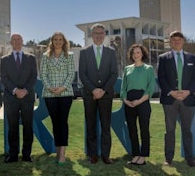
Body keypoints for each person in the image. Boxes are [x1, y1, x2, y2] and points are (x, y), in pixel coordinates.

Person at [158, 31, 195, 167]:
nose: (176, 42)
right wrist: (171, 92)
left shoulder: (192, 58)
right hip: (170, 100)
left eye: (179, 39)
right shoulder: (163, 58)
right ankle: (168, 158)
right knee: (170, 130)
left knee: (187, 130)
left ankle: (189, 158)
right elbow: (161, 78)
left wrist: (188, 92)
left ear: (183, 41)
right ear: (170, 41)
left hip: (188, 99)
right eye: (174, 39)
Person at [79, 23, 118, 164]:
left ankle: (106, 155)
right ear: (92, 35)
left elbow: (114, 73)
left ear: (105, 35)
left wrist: (103, 90)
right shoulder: (84, 52)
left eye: (101, 33)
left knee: (106, 126)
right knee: (91, 125)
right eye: (96, 33)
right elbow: (82, 74)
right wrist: (93, 90)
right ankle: (93, 155)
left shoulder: (111, 52)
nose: (99, 36)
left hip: (106, 95)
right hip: (89, 95)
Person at [1, 33, 37, 163]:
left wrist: (25, 90)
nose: (16, 41)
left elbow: (34, 76)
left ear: (22, 42)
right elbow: (4, 78)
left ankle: (27, 155)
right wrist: (15, 90)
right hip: (11, 98)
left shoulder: (31, 58)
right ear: (11, 42)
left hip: (27, 98)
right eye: (14, 39)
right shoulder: (4, 59)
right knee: (13, 127)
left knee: (28, 127)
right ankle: (13, 155)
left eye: (19, 39)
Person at [39, 32, 75, 165]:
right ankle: (58, 149)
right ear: (52, 41)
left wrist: (62, 88)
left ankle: (62, 153)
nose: (58, 41)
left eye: (60, 39)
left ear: (64, 41)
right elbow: (43, 74)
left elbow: (71, 74)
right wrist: (50, 88)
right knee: (55, 122)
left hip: (65, 93)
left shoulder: (69, 56)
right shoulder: (45, 56)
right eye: (55, 39)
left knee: (63, 122)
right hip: (50, 94)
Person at [120, 44, 155, 165]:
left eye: (138, 52)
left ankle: (143, 156)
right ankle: (135, 155)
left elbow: (150, 88)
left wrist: (139, 101)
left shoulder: (148, 69)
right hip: (129, 102)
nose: (136, 55)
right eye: (134, 53)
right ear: (131, 55)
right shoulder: (127, 69)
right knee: (132, 130)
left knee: (144, 129)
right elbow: (123, 88)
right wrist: (125, 100)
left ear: (142, 54)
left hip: (143, 102)